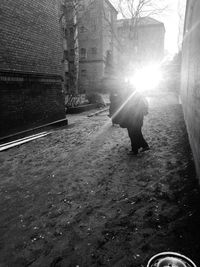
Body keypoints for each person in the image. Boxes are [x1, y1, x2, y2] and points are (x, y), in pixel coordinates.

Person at [119, 85, 149, 155]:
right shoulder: (139, 96)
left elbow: (128, 109)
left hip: (132, 119)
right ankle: (144, 146)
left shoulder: (130, 98)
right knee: (137, 133)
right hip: (138, 118)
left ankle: (135, 150)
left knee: (133, 134)